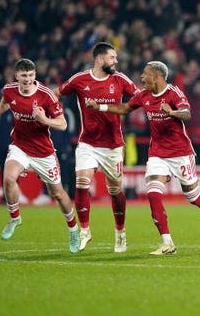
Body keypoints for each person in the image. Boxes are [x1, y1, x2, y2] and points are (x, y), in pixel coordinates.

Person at [85, 61, 200, 255]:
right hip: (158, 152)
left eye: (145, 74)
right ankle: (167, 242)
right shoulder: (144, 95)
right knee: (152, 193)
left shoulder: (174, 93)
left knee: (192, 196)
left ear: (157, 77)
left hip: (180, 152)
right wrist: (99, 107)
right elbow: (125, 108)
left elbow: (187, 114)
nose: (142, 78)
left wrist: (172, 112)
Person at [0, 58, 79, 254]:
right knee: (8, 179)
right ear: (16, 76)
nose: (27, 79)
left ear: (35, 75)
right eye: (23, 75)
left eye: (30, 75)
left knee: (58, 194)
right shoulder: (9, 90)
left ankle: (73, 229)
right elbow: (5, 103)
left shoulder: (46, 95)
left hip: (43, 152)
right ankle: (14, 218)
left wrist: (43, 119)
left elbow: (62, 124)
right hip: (20, 146)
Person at [54, 42, 140, 253]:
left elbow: (139, 97)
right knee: (81, 183)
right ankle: (85, 231)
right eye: (113, 58)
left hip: (112, 146)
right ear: (100, 59)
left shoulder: (120, 79)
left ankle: (120, 233)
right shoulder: (79, 79)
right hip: (88, 143)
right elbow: (55, 93)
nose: (116, 61)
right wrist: (43, 111)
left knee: (115, 191)